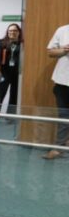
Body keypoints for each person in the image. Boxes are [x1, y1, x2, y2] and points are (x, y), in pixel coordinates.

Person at [43, 20, 69, 160]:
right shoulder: (63, 30)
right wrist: (65, 50)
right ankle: (59, 146)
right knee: (64, 115)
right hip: (62, 81)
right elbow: (50, 52)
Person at [0, 22, 22, 114]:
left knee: (14, 95)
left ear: (19, 32)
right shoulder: (1, 42)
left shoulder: (22, 44)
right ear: (7, 32)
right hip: (4, 72)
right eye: (10, 30)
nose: (12, 32)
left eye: (15, 30)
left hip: (17, 73)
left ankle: (10, 116)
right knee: (0, 93)